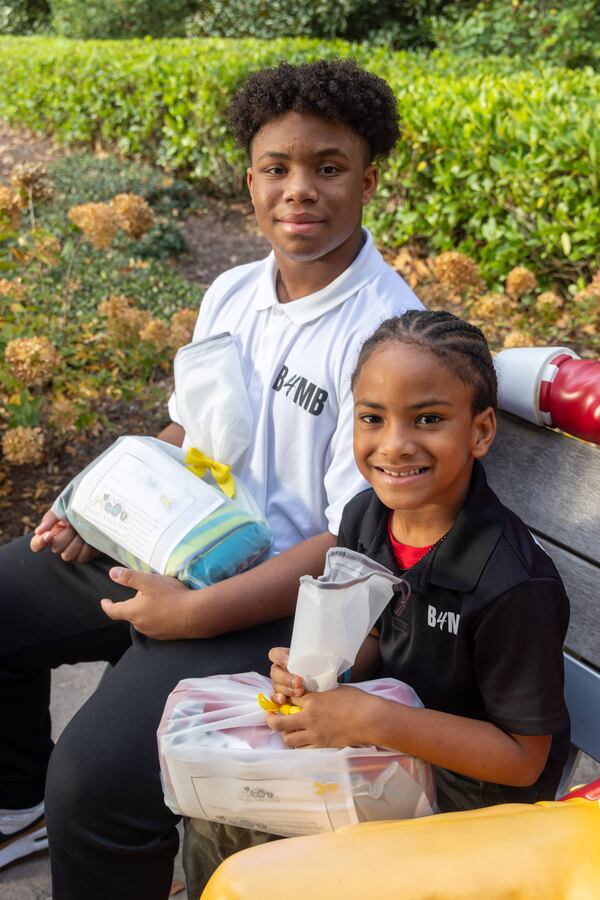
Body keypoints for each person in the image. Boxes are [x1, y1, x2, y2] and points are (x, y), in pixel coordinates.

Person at [0, 60, 421, 897]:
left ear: (368, 181)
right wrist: (105, 507)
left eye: (328, 168)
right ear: (251, 180)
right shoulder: (232, 291)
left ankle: (72, 819)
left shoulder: (388, 337)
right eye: (277, 169)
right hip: (184, 549)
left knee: (92, 785)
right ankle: (17, 810)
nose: (299, 190)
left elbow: (352, 538)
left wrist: (191, 613)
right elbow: (188, 431)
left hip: (284, 610)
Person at [269, 309, 570, 813]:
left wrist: (369, 720)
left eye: (427, 419)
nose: (394, 445)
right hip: (391, 743)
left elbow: (523, 761)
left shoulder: (513, 585)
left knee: (268, 826)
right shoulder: (365, 517)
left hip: (480, 798)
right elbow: (371, 634)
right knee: (232, 793)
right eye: (372, 418)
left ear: (480, 432)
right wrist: (320, 679)